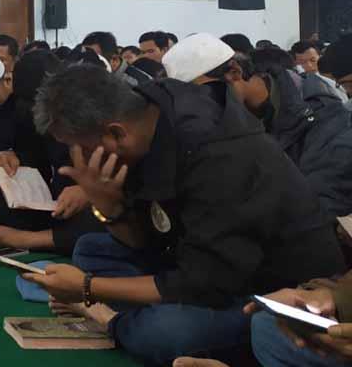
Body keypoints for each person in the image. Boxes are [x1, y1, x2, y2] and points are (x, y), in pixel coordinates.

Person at [25, 65, 344, 365]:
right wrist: (110, 207)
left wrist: (88, 289)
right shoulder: (148, 116)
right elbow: (145, 243)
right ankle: (133, 313)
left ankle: (111, 320)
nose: (78, 160)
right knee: (91, 250)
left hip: (267, 289)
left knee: (164, 332)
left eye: (80, 149)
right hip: (189, 258)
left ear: (117, 134)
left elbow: (202, 282)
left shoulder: (218, 154)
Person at [165, 34, 352, 221]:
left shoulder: (324, 117)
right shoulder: (227, 121)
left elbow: (319, 202)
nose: (202, 105)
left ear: (235, 73)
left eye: (205, 93)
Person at [0, 52, 102, 255]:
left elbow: (126, 180)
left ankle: (23, 238)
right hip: (54, 198)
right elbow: (32, 153)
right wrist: (12, 157)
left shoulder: (89, 110)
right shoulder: (24, 108)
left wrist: (87, 191)